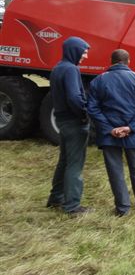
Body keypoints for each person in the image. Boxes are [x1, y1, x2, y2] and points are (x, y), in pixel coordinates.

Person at [87, 49, 135, 217]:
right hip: (134, 133)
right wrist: (130, 127)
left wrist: (109, 129)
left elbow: (93, 108)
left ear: (111, 61)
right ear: (128, 61)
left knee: (115, 170)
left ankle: (122, 208)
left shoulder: (98, 81)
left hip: (109, 134)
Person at [46, 36, 92, 215]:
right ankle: (72, 206)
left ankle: (55, 199)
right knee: (75, 164)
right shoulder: (71, 69)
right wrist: (83, 114)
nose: (85, 56)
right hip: (74, 123)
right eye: (84, 52)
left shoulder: (58, 68)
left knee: (64, 161)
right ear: (74, 50)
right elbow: (74, 97)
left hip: (62, 121)